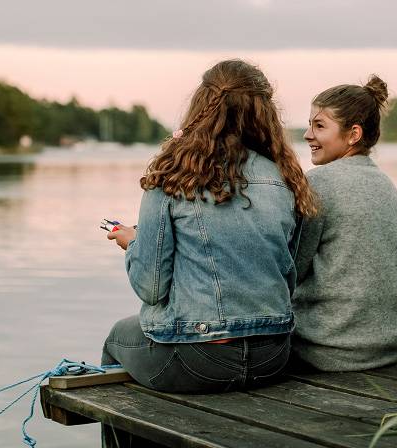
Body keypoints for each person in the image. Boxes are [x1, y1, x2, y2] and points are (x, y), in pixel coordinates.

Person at [103, 59, 318, 393]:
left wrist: (133, 244)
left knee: (118, 338)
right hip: (273, 355)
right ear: (264, 113)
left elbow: (151, 288)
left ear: (201, 106)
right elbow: (287, 275)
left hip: (198, 359)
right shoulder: (286, 178)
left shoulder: (171, 177)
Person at [292, 75, 397, 372]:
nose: (308, 135)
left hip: (326, 349)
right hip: (388, 347)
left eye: (319, 126)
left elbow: (293, 268)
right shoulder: (386, 184)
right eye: (309, 125)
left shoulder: (317, 183)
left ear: (353, 134)